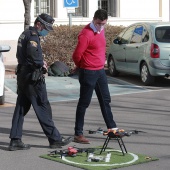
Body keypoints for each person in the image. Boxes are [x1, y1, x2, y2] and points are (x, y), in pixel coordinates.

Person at [8, 13, 72, 151]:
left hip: (23, 76)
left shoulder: (25, 33)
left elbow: (22, 54)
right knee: (42, 106)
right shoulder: (33, 36)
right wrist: (40, 64)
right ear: (39, 24)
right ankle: (55, 139)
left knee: (20, 108)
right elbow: (32, 53)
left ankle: (15, 139)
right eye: (46, 28)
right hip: (33, 77)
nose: (47, 31)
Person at [72, 9, 118, 144]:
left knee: (105, 100)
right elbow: (76, 55)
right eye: (99, 23)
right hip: (88, 72)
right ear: (94, 19)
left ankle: (112, 128)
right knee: (84, 102)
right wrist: (81, 66)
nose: (101, 26)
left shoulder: (101, 30)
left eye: (103, 24)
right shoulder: (86, 34)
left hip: (100, 71)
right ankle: (78, 133)